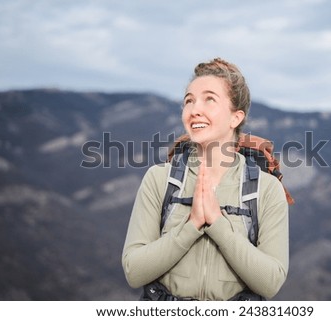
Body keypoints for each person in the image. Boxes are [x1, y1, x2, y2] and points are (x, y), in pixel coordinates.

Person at [122, 58, 289, 301]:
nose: (194, 109)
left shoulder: (266, 189)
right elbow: (133, 272)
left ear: (235, 118)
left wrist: (217, 224)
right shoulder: (160, 179)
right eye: (189, 100)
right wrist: (191, 226)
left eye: (209, 99)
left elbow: (271, 282)